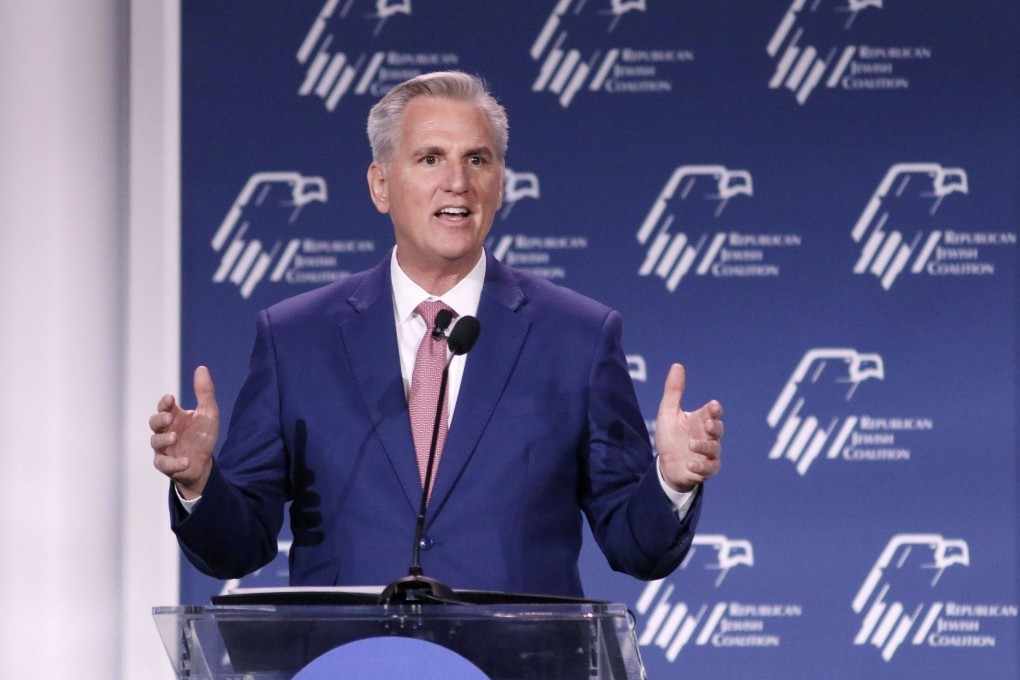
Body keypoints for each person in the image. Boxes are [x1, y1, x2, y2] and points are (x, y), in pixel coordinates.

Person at [150, 71, 723, 598]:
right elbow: (237, 547)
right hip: (349, 660)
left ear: (500, 185)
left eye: (477, 160)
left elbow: (635, 546)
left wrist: (669, 483)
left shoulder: (578, 336)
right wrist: (200, 486)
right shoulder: (295, 338)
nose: (457, 182)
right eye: (429, 159)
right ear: (380, 185)